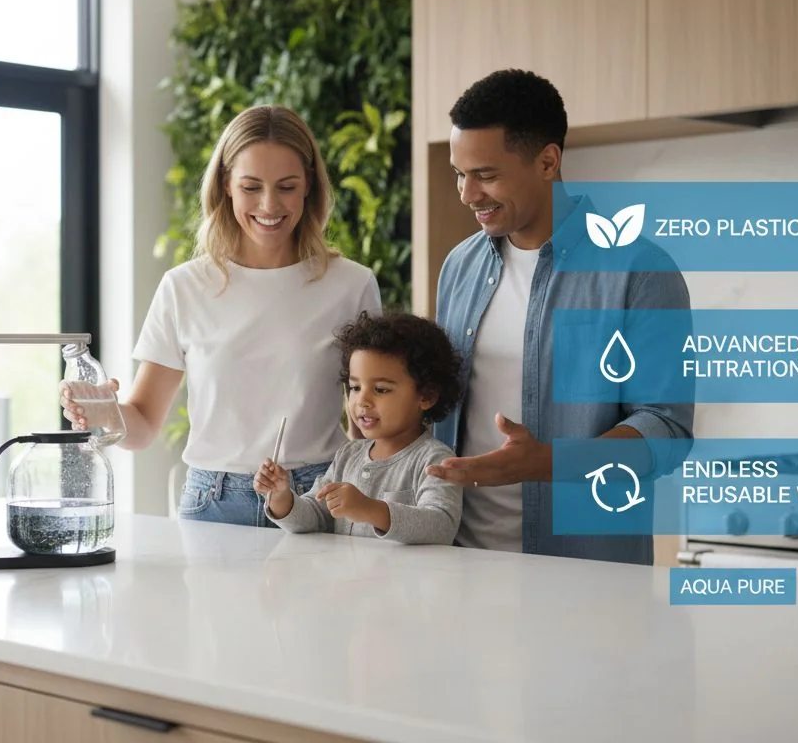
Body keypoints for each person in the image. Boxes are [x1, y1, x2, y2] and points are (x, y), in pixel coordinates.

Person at [60, 104, 382, 527]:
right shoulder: (184, 287)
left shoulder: (351, 285)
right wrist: (104, 413)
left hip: (319, 497)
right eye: (251, 187)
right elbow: (141, 425)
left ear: (309, 188)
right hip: (214, 503)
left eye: (287, 186)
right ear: (226, 185)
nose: (269, 205)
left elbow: (371, 422)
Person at [425, 69, 694, 565]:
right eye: (459, 174)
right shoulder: (459, 266)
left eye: (485, 175)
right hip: (459, 564)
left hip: (582, 571)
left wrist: (550, 463)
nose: (466, 194)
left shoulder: (640, 270)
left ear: (548, 161)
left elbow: (667, 430)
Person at [256, 311, 464, 544]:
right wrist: (281, 496)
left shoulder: (436, 461)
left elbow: (441, 526)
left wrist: (371, 510)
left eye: (381, 389)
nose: (362, 401)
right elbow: (315, 516)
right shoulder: (348, 455)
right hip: (349, 580)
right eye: (355, 387)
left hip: (404, 580)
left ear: (426, 396)